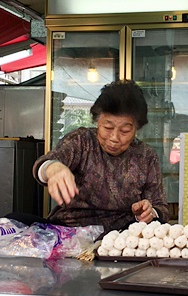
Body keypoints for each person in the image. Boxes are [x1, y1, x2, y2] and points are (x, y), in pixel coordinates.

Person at [26, 79, 170, 234]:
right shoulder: (81, 141)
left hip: (122, 236)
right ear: (97, 122)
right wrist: (53, 168)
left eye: (125, 131)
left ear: (137, 128)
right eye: (107, 127)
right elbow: (43, 165)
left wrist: (149, 212)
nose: (114, 137)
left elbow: (161, 207)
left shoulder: (146, 156)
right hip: (70, 231)